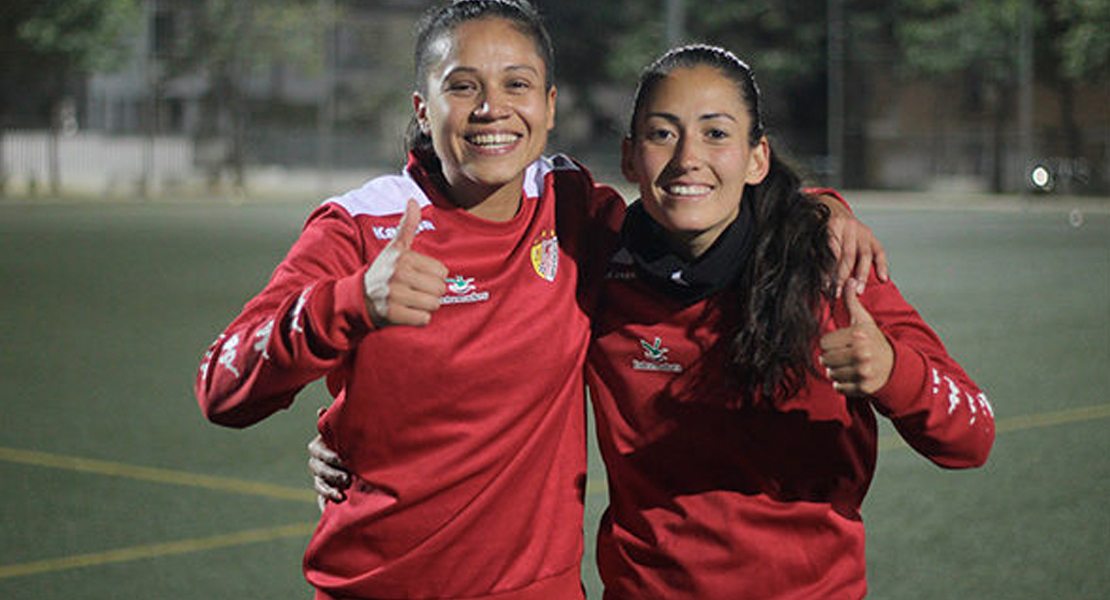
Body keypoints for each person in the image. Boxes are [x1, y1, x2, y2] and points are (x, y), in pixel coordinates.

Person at [198, 0, 881, 597]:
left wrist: (816, 208)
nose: (491, 109)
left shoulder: (575, 210)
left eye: (516, 84)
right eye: (461, 86)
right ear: (422, 107)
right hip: (377, 591)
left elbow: (698, 207)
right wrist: (348, 304)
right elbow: (222, 387)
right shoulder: (360, 226)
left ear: (549, 106)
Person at [312, 43, 994, 599]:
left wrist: (894, 373)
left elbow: (972, 435)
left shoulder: (830, 269)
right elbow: (482, 338)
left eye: (716, 134)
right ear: (631, 156)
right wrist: (356, 437)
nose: (688, 157)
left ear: (757, 158)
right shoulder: (596, 256)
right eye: (662, 134)